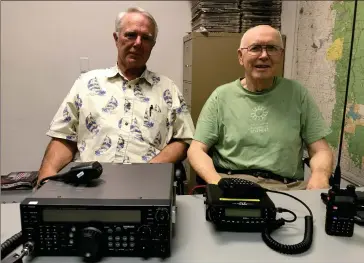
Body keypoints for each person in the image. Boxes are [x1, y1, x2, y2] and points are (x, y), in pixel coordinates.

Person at [37, 7, 195, 184]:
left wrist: (151, 168)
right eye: (130, 35)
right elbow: (64, 138)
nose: (137, 43)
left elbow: (183, 140)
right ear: (116, 39)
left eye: (146, 38)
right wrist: (45, 180)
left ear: (152, 45)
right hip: (89, 183)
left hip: (146, 185)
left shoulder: (167, 89)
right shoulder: (86, 84)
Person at [187, 25, 333, 191]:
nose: (264, 56)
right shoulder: (221, 96)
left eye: (272, 48)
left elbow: (321, 150)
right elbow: (196, 149)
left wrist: (320, 175)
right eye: (255, 48)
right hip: (232, 185)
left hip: (287, 188)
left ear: (281, 55)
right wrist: (216, 182)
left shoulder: (298, 94)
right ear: (241, 56)